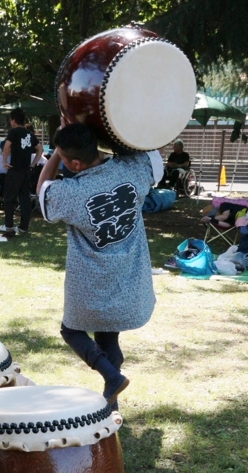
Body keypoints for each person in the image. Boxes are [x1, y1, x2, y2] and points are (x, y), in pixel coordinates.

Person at [36, 122, 162, 406]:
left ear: (76, 164)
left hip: (90, 283)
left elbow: (43, 188)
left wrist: (57, 153)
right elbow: (152, 152)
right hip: (127, 282)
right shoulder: (132, 170)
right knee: (108, 336)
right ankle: (112, 402)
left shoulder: (71, 192)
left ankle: (110, 375)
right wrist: (113, 128)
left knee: (71, 331)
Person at [1, 108, 43, 236]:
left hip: (15, 170)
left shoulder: (13, 132)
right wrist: (33, 164)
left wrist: (4, 161)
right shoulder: (29, 134)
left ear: (13, 120)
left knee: (9, 198)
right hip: (26, 170)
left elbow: (7, 146)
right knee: (25, 199)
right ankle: (23, 227)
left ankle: (9, 226)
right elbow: (40, 149)